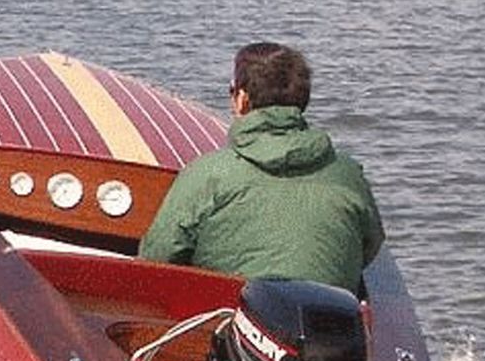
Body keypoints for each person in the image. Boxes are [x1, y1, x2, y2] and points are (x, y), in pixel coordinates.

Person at [139, 43, 385, 295]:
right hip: (328, 314)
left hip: (229, 314)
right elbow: (370, 245)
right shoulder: (348, 173)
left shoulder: (208, 174)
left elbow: (157, 258)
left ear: (242, 99)